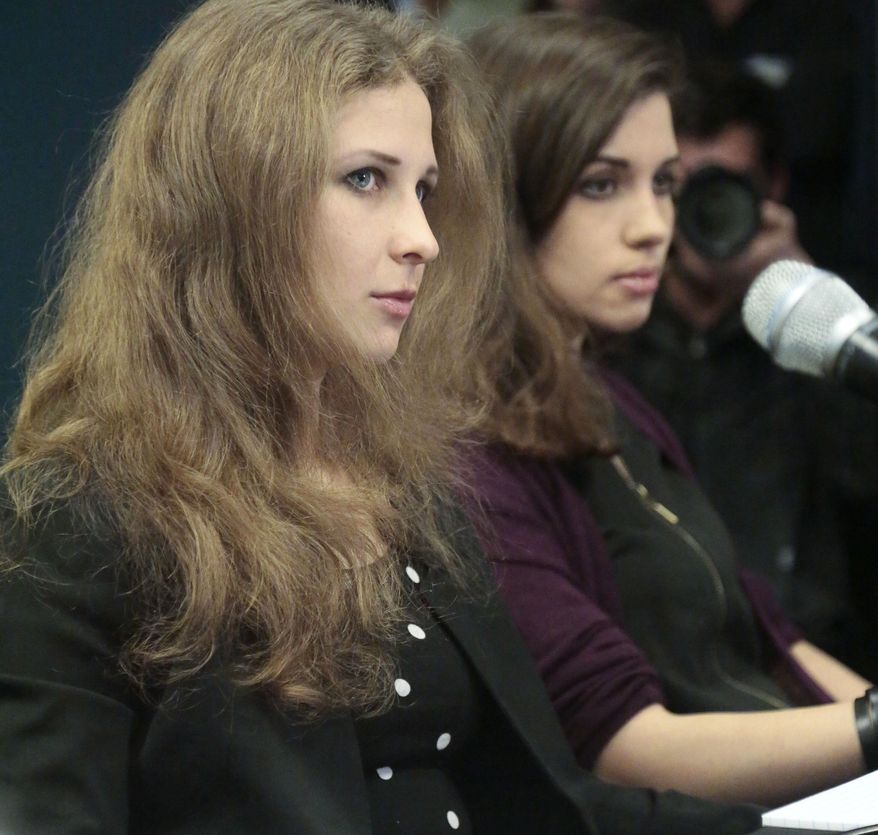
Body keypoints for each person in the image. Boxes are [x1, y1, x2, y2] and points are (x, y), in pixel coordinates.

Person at [0, 2, 768, 833]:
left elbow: (551, 805)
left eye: (426, 190)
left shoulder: (412, 490)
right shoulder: (77, 521)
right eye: (367, 179)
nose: (423, 238)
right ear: (234, 199)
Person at [463, 11, 876, 807]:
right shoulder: (467, 450)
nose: (654, 228)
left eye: (663, 185)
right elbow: (627, 746)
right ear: (505, 195)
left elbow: (773, 643)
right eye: (601, 184)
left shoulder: (611, 399)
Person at [608, 61, 878, 682]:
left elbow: (866, 479)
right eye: (684, 187)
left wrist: (808, 291)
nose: (705, 216)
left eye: (728, 190)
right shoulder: (610, 332)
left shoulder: (831, 321)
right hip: (660, 672)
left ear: (774, 186)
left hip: (818, 659)